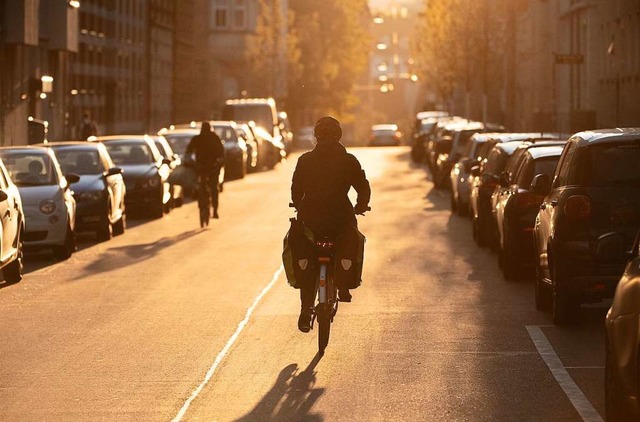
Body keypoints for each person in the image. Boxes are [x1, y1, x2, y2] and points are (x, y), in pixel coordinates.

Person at [291, 116, 371, 332]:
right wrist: (361, 205)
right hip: (340, 218)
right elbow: (362, 187)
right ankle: (343, 285)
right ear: (339, 136)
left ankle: (306, 309)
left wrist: (299, 205)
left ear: (316, 136)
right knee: (350, 239)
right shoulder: (349, 161)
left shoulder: (305, 160)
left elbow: (296, 189)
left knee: (306, 257)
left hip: (311, 220)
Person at [185, 122, 225, 219]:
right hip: (211, 167)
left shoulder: (198, 138)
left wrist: (189, 160)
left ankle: (198, 196)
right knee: (213, 188)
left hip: (203, 167)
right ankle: (215, 210)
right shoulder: (214, 138)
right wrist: (220, 161)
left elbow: (189, 151)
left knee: (202, 185)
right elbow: (222, 152)